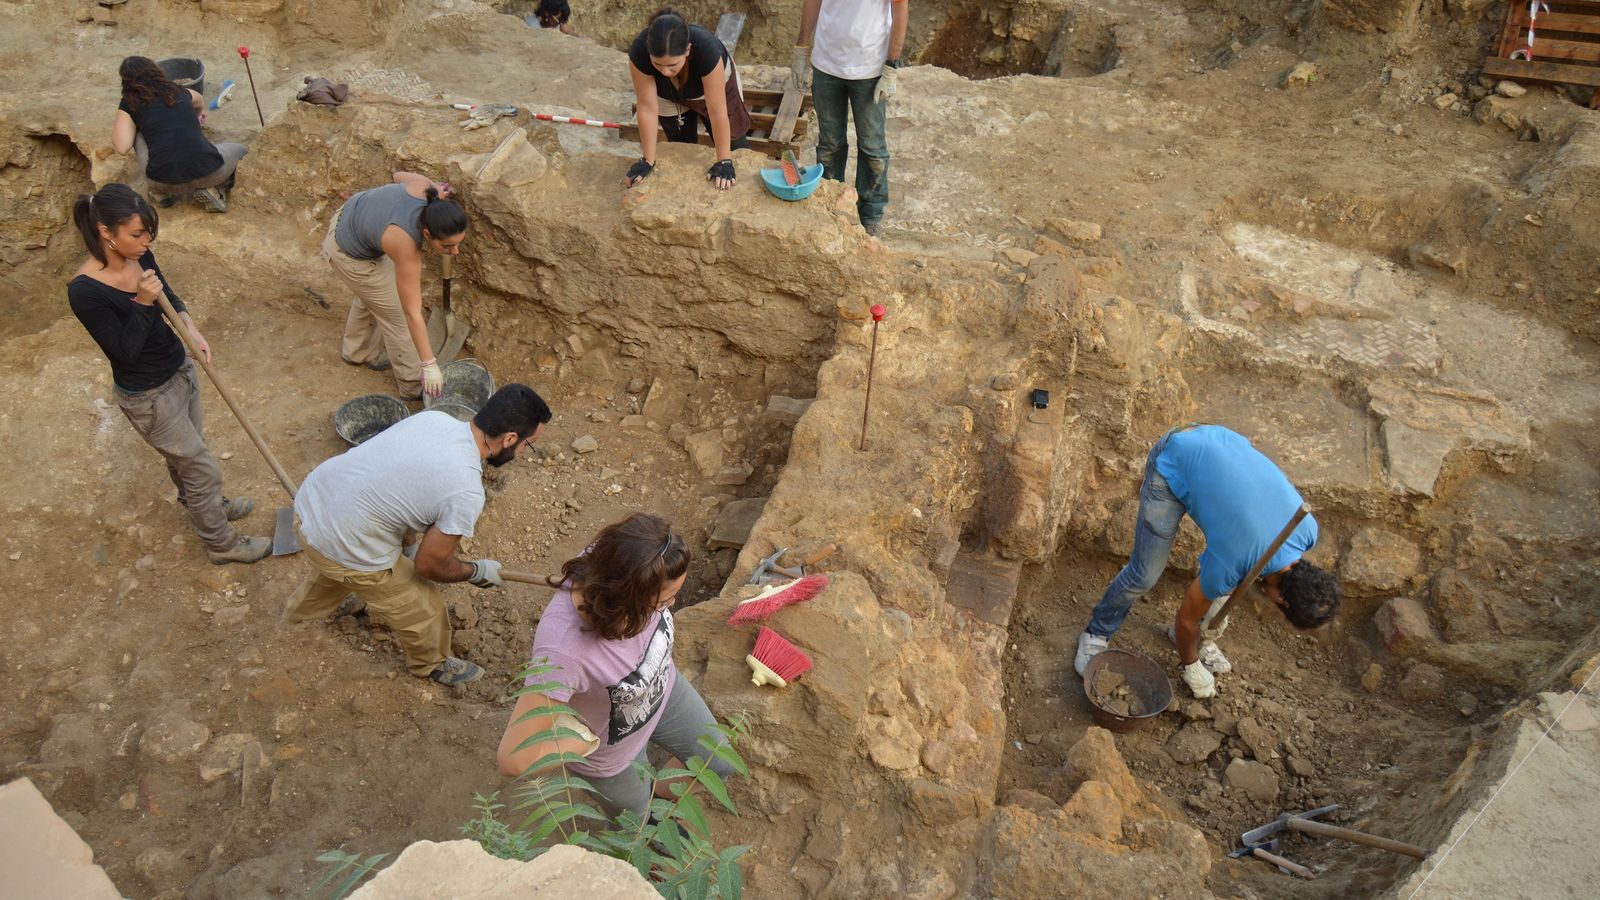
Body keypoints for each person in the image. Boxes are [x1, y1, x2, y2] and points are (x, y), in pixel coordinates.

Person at [282, 384, 552, 684]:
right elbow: (428, 566)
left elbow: (399, 485)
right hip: (343, 540)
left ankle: (298, 616)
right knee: (425, 607)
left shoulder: (435, 420)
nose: (524, 452)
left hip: (310, 507)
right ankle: (432, 664)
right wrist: (475, 571)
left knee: (334, 569)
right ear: (510, 438)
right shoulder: (465, 490)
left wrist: (407, 547)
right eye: (528, 444)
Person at [66, 184, 271, 565]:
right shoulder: (85, 291)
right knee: (201, 467)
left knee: (189, 458)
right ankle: (220, 543)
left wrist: (191, 330)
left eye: (149, 233)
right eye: (138, 234)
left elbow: (170, 298)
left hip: (179, 369)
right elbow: (123, 352)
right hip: (149, 396)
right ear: (106, 233)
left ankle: (200, 503)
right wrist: (142, 302)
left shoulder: (141, 256)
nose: (147, 241)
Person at [1074, 424, 1342, 699]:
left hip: (1221, 441)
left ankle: (1203, 639)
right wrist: (1190, 663)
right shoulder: (1236, 560)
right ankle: (1096, 633)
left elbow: (1240, 572)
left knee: (1220, 590)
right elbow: (1186, 618)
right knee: (1144, 574)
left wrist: (1210, 621)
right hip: (1175, 459)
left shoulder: (1307, 529)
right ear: (1283, 601)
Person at [496, 513, 736, 819]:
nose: (672, 606)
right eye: (664, 601)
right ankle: (644, 827)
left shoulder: (621, 558)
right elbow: (513, 759)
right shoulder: (565, 652)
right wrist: (572, 743)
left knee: (717, 762)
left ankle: (656, 797)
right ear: (626, 601)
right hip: (612, 756)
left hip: (663, 691)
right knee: (634, 823)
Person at [323, 172, 467, 400]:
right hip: (347, 253)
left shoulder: (426, 189)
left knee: (375, 294)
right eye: (448, 246)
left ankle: (356, 352)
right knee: (398, 315)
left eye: (459, 243)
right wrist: (429, 365)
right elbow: (411, 313)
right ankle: (412, 385)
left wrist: (437, 192)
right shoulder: (405, 245)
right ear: (427, 233)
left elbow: (397, 175)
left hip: (350, 217)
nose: (455, 251)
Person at [792, 0, 908, 237]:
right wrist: (802, 48)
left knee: (872, 146)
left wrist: (891, 65)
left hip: (870, 66)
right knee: (830, 143)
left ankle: (870, 216)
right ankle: (832, 205)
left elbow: (900, 8)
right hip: (827, 63)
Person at [625, 9, 753, 192]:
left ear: (687, 50)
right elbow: (646, 107)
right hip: (668, 95)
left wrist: (724, 160)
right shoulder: (639, 51)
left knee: (734, 145)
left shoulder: (707, 50)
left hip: (715, 86)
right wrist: (647, 161)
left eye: (671, 65)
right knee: (681, 144)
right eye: (657, 64)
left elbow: (717, 110)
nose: (665, 72)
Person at [111, 56, 248, 213]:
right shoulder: (177, 90)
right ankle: (216, 189)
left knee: (136, 131)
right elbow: (199, 102)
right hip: (211, 173)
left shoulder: (130, 103)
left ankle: (160, 194)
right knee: (241, 150)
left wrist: (134, 121)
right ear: (156, 71)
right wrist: (193, 117)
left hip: (161, 181)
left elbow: (122, 147)